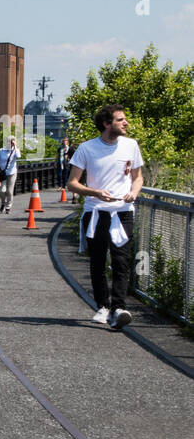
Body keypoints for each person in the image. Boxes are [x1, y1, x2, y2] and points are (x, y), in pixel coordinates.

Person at [67, 105, 145, 329]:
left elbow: (138, 177)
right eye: (121, 119)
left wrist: (134, 192)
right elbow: (72, 183)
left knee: (122, 260)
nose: (126, 123)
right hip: (96, 212)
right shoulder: (87, 148)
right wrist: (96, 192)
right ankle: (103, 305)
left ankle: (119, 308)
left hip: (122, 212)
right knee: (98, 261)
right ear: (106, 124)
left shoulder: (131, 145)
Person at [0, 137, 20, 213]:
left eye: (12, 142)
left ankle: (8, 207)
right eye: (10, 142)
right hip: (3, 173)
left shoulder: (15, 150)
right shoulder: (1, 151)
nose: (11, 143)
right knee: (2, 190)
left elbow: (18, 156)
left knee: (9, 191)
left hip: (12, 173)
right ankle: (3, 203)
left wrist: (15, 146)